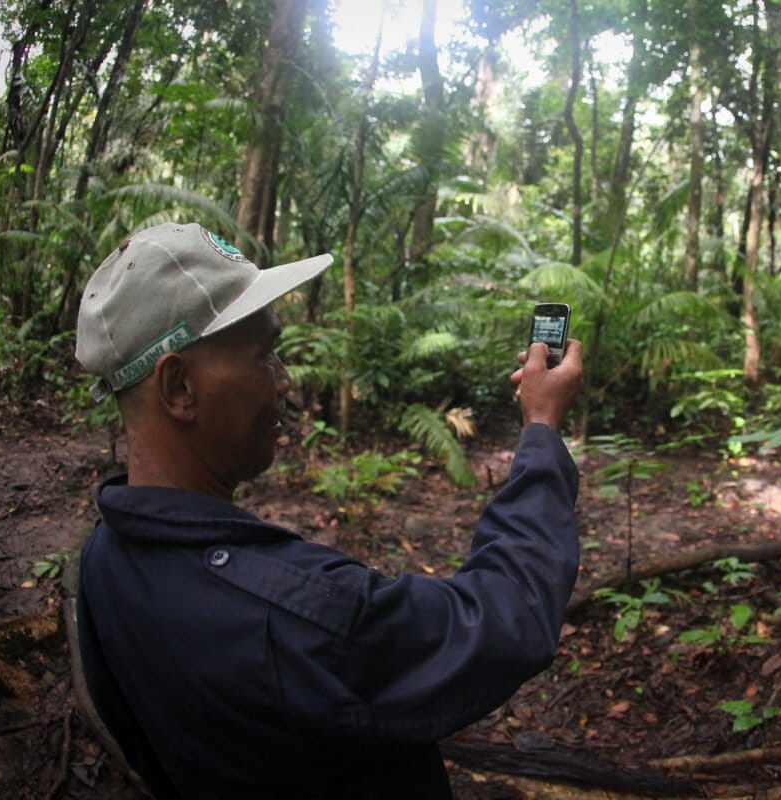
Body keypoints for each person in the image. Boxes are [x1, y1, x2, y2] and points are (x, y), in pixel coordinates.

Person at [73, 222, 584, 799]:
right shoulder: (293, 616)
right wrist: (541, 430)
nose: (285, 382)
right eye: (266, 355)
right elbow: (502, 617)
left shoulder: (103, 558)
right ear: (179, 390)